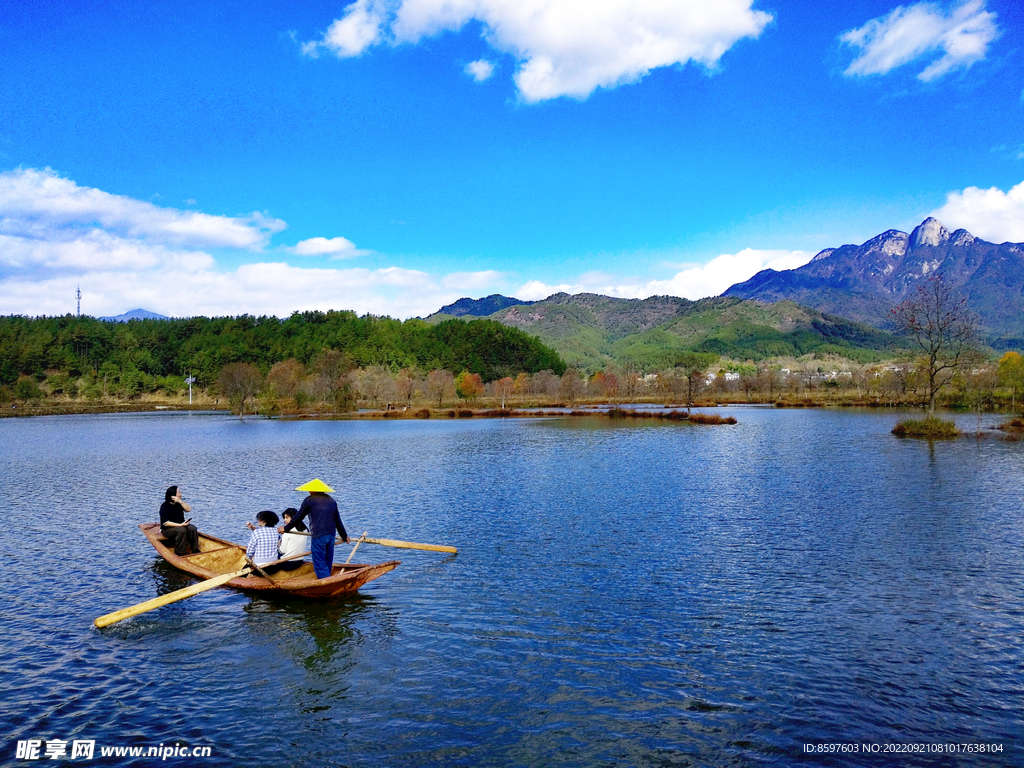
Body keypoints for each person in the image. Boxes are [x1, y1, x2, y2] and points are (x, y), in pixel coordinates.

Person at [279, 479, 349, 579]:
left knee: (320, 564)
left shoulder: (309, 500)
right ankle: (328, 578)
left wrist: (285, 529)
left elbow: (299, 517)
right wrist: (344, 536)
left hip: (319, 536)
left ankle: (326, 584)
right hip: (331, 536)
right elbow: (338, 521)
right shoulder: (332, 501)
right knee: (327, 562)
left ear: (312, 491)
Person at [159, 485, 199, 556]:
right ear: (173, 496)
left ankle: (195, 549)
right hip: (167, 529)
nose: (180, 494)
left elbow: (188, 509)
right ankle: (179, 552)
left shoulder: (179, 504)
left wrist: (180, 502)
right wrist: (181, 525)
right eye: (179, 493)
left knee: (192, 528)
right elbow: (166, 523)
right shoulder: (165, 506)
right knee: (181, 530)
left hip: (181, 525)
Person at [245, 510, 281, 575]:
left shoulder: (256, 532)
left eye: (258, 519)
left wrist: (248, 561)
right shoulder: (277, 532)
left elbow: (250, 551)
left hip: (259, 569)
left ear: (264, 521)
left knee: (245, 568)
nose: (257, 520)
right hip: (273, 568)